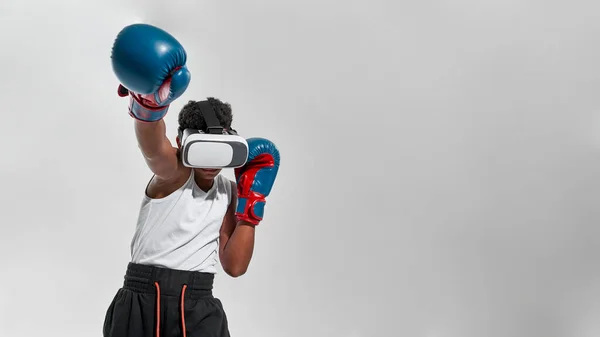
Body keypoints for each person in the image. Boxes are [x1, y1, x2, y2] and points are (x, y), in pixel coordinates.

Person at [103, 23, 280, 337]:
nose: (211, 164)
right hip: (143, 298)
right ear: (184, 143)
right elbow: (154, 150)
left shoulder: (228, 190)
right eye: (204, 151)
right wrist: (150, 104)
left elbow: (235, 266)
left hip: (199, 302)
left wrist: (252, 203)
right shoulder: (175, 172)